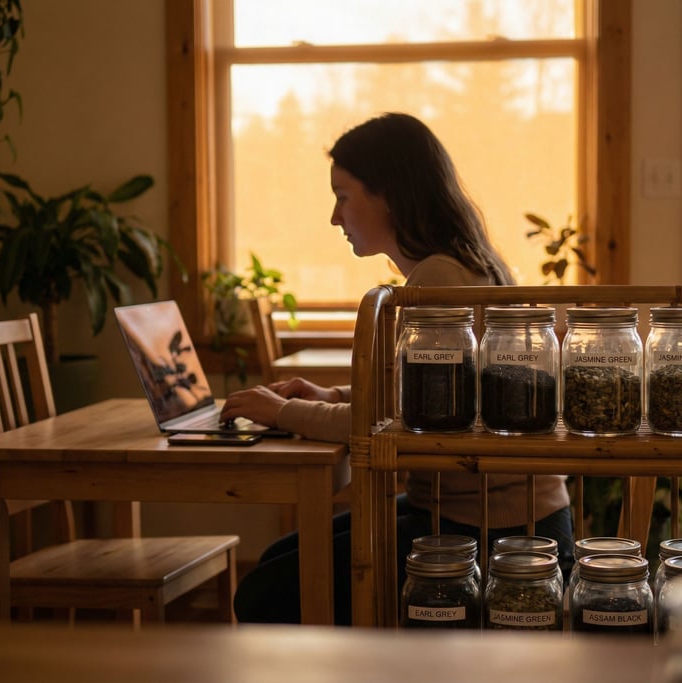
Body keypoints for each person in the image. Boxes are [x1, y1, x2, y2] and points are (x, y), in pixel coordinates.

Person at [221, 112, 573, 625]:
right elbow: (418, 399)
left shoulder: (438, 281)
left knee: (263, 593)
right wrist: (331, 397)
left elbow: (387, 425)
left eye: (343, 195)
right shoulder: (459, 265)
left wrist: (283, 411)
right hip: (480, 511)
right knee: (280, 561)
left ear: (388, 194)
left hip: (495, 532)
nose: (335, 218)